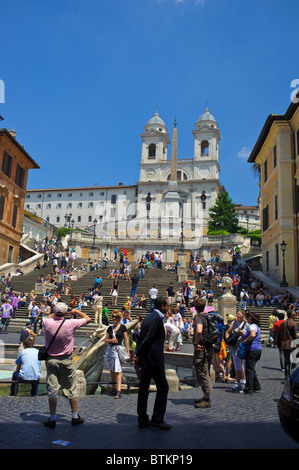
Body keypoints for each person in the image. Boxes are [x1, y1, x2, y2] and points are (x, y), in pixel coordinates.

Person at [43, 302, 91, 428]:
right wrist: (75, 312)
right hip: (67, 360)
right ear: (65, 313)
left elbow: (48, 318)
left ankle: (52, 418)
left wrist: (55, 312)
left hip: (51, 360)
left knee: (52, 389)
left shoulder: (47, 323)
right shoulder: (70, 323)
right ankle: (74, 416)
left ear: (55, 311)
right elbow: (87, 318)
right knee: (71, 388)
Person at [134, 297, 171, 430]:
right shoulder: (156, 320)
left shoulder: (148, 317)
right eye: (167, 305)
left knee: (143, 389)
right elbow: (148, 339)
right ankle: (157, 419)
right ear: (162, 306)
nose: (169, 307)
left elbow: (141, 338)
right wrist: (138, 353)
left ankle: (142, 418)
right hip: (153, 360)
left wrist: (139, 354)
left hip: (145, 360)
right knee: (163, 387)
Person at [193, 298, 213, 409]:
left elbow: (199, 330)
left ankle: (207, 398)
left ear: (195, 307)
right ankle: (205, 396)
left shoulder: (199, 317)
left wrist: (196, 343)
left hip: (202, 349)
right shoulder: (208, 316)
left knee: (202, 372)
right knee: (206, 371)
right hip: (209, 348)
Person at [104, 310, 130, 399]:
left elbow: (126, 339)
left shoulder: (123, 327)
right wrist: (111, 340)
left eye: (116, 317)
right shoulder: (109, 328)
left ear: (119, 318)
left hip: (118, 350)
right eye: (113, 317)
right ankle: (113, 388)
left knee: (118, 370)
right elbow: (105, 339)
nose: (114, 318)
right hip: (110, 349)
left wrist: (128, 351)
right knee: (112, 369)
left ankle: (119, 390)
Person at [238, 311, 262, 395]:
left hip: (252, 350)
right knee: (251, 369)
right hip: (257, 349)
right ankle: (256, 386)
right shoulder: (256, 326)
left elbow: (252, 335)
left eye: (247, 318)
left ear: (250, 319)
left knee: (249, 369)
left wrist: (245, 340)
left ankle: (249, 389)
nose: (246, 320)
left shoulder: (252, 326)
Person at [225, 310, 249, 392]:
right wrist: (233, 323)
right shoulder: (234, 323)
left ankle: (246, 381)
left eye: (240, 315)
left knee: (245, 365)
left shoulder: (247, 325)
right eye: (237, 315)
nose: (238, 316)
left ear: (243, 316)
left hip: (243, 347)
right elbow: (228, 332)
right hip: (235, 347)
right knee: (237, 365)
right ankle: (238, 383)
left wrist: (242, 333)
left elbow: (248, 336)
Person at [276, 309, 299, 380]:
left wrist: (278, 343)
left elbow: (279, 334)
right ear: (292, 315)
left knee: (287, 361)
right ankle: (292, 373)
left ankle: (287, 375)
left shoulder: (283, 323)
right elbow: (295, 335)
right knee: (294, 360)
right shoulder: (294, 324)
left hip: (284, 344)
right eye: (295, 314)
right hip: (293, 344)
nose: (296, 316)